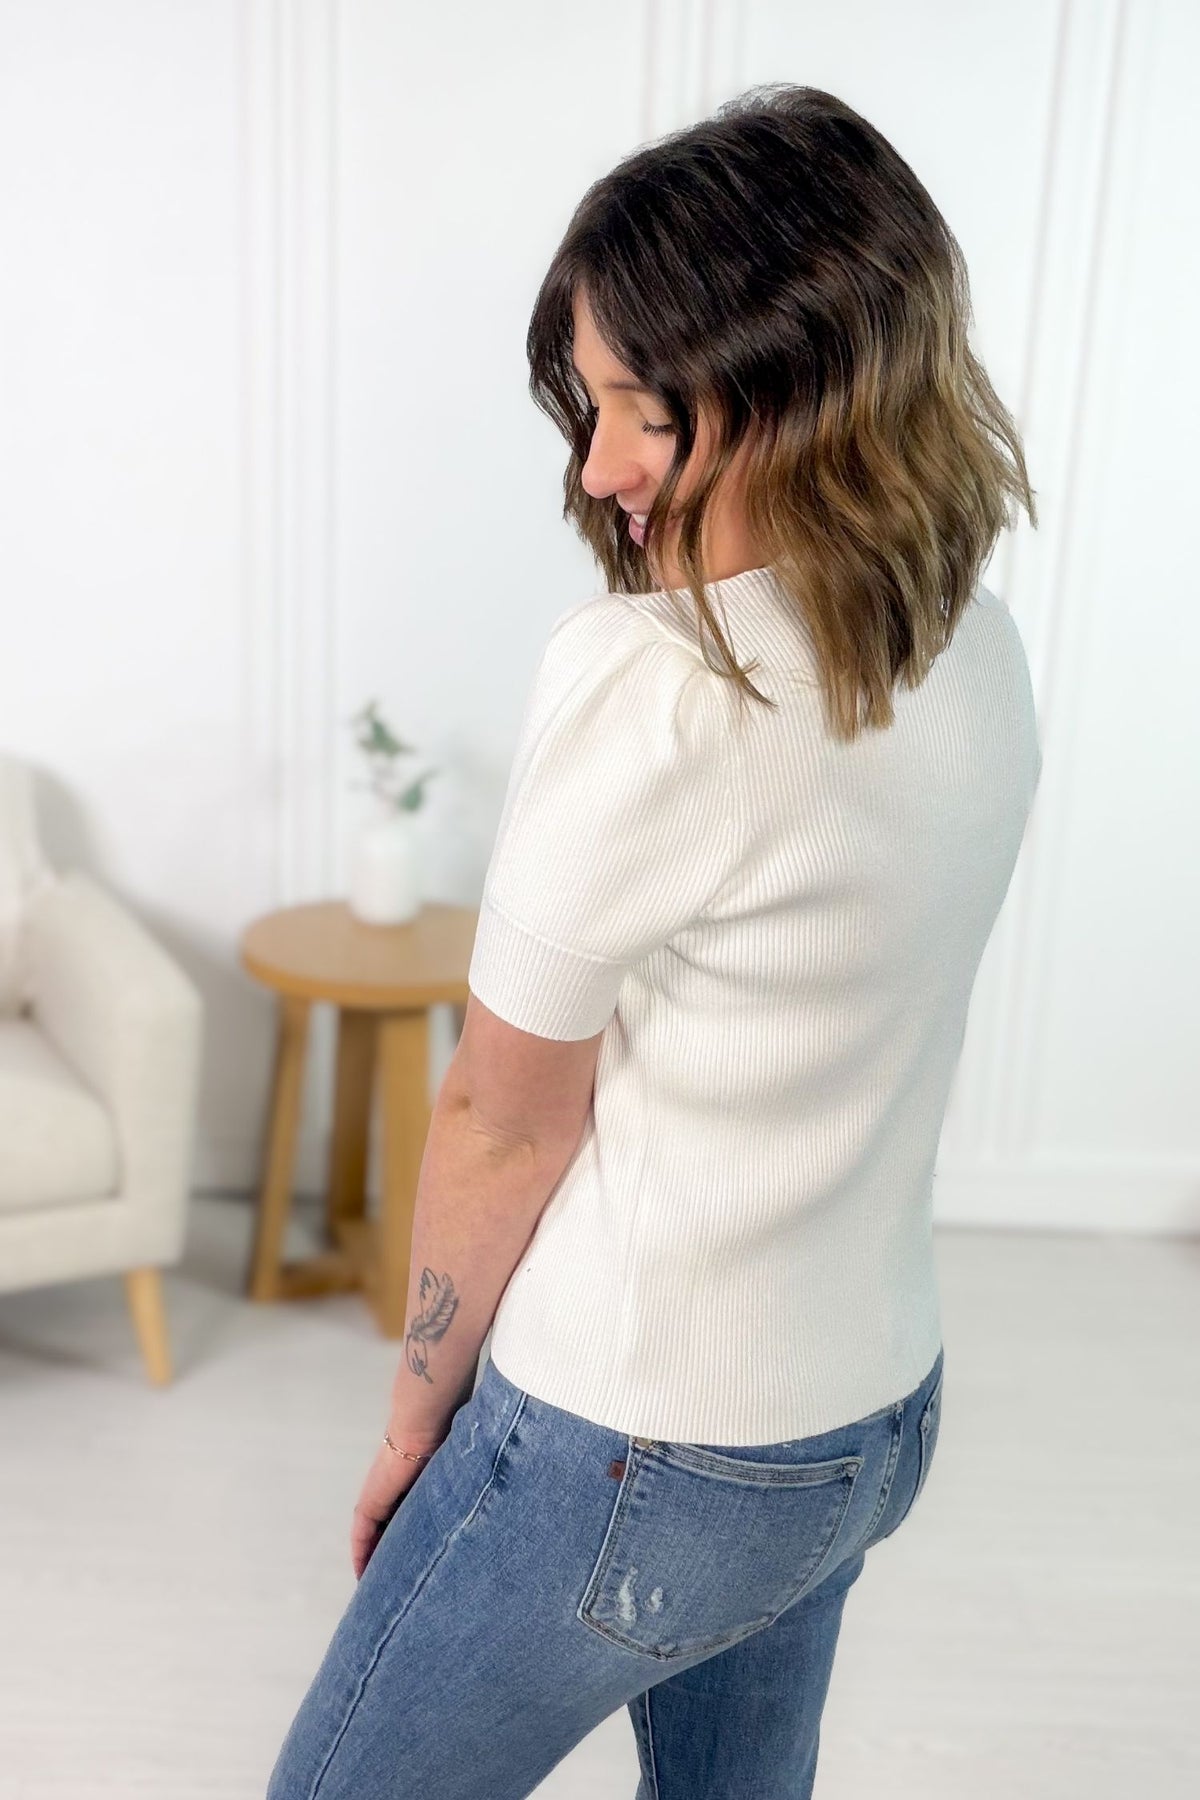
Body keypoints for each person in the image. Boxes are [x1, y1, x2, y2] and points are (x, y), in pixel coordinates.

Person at [266, 82, 1041, 1800]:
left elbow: (501, 1116)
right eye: (594, 400)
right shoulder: (968, 647)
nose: (601, 467)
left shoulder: (660, 685)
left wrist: (417, 1424)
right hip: (862, 1423)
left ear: (813, 392)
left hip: (633, 1446)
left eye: (653, 415)